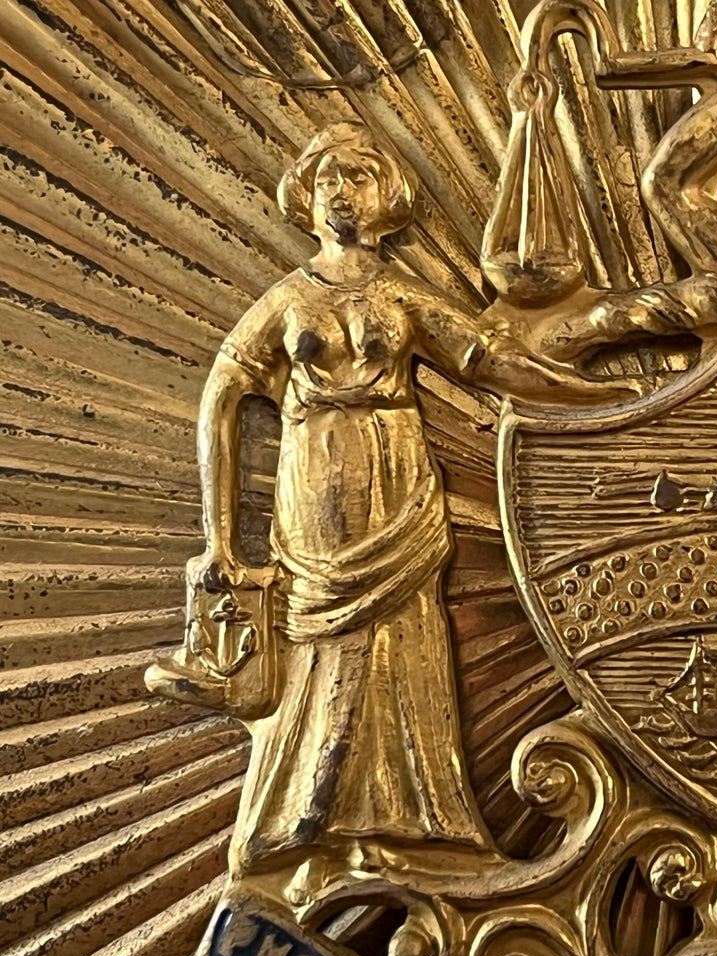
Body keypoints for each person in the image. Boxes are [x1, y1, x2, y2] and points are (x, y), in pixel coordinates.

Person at [197, 122, 494, 897]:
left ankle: (407, 826)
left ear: (385, 196)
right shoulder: (291, 297)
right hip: (314, 483)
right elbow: (223, 396)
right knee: (322, 642)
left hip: (395, 474)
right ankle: (302, 825)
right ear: (307, 193)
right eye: (329, 177)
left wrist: (595, 388)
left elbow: (489, 361)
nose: (342, 190)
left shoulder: (401, 295)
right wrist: (219, 538)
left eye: (359, 177)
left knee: (404, 638)